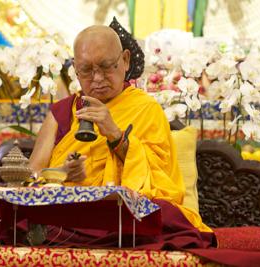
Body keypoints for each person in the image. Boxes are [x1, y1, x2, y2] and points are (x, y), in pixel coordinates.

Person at [28, 25, 213, 249]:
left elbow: (159, 179)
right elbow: (32, 177)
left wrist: (115, 134)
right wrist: (62, 174)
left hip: (121, 214)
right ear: (75, 70)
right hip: (70, 212)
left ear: (125, 60)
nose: (97, 78)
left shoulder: (146, 109)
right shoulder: (62, 112)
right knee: (24, 220)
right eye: (86, 70)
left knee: (160, 216)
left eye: (106, 67)